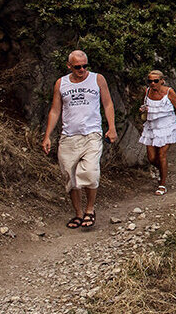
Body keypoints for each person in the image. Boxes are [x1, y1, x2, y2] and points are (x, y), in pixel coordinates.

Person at [42, 50, 116, 229]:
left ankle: (90, 210)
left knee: (90, 172)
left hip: (92, 134)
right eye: (77, 67)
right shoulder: (61, 83)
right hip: (68, 136)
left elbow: (107, 103)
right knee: (70, 177)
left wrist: (111, 127)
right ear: (69, 66)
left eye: (85, 66)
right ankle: (78, 213)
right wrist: (47, 136)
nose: (82, 69)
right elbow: (55, 110)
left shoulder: (97, 79)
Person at [139, 70, 176, 195]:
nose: (152, 83)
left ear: (162, 81)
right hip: (151, 127)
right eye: (150, 81)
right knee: (151, 158)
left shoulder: (169, 92)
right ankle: (162, 171)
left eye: (155, 81)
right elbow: (145, 106)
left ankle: (162, 184)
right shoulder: (147, 91)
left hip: (167, 127)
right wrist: (143, 110)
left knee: (162, 155)